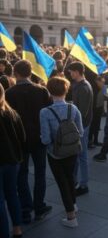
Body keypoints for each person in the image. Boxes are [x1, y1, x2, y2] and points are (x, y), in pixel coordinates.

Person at [5, 60, 53, 223]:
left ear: (16, 74)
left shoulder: (9, 93)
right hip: (39, 139)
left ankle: (25, 209)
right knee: (40, 173)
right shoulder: (42, 91)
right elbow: (49, 114)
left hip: (19, 140)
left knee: (21, 174)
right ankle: (39, 207)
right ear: (30, 72)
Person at [39, 77, 83, 228]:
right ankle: (74, 204)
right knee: (70, 177)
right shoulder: (74, 108)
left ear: (49, 92)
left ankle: (71, 217)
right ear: (66, 90)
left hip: (55, 153)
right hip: (72, 150)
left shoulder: (45, 112)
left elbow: (45, 139)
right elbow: (81, 132)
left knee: (62, 182)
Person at [0, 84, 24, 238]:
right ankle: (17, 229)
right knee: (12, 194)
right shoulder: (12, 113)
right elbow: (22, 138)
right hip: (13, 161)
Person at [68, 62, 93, 196]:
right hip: (81, 124)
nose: (70, 73)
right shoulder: (80, 85)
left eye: (71, 71)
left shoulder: (83, 87)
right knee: (78, 154)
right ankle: (75, 180)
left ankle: (84, 184)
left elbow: (81, 112)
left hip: (81, 126)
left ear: (77, 72)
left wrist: (76, 127)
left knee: (82, 155)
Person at [88, 76, 105, 148]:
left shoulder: (103, 88)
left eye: (103, 82)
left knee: (97, 125)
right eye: (102, 82)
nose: (103, 84)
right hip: (93, 109)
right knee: (92, 125)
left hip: (99, 108)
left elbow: (107, 95)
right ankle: (90, 141)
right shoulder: (93, 88)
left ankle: (96, 140)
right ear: (97, 82)